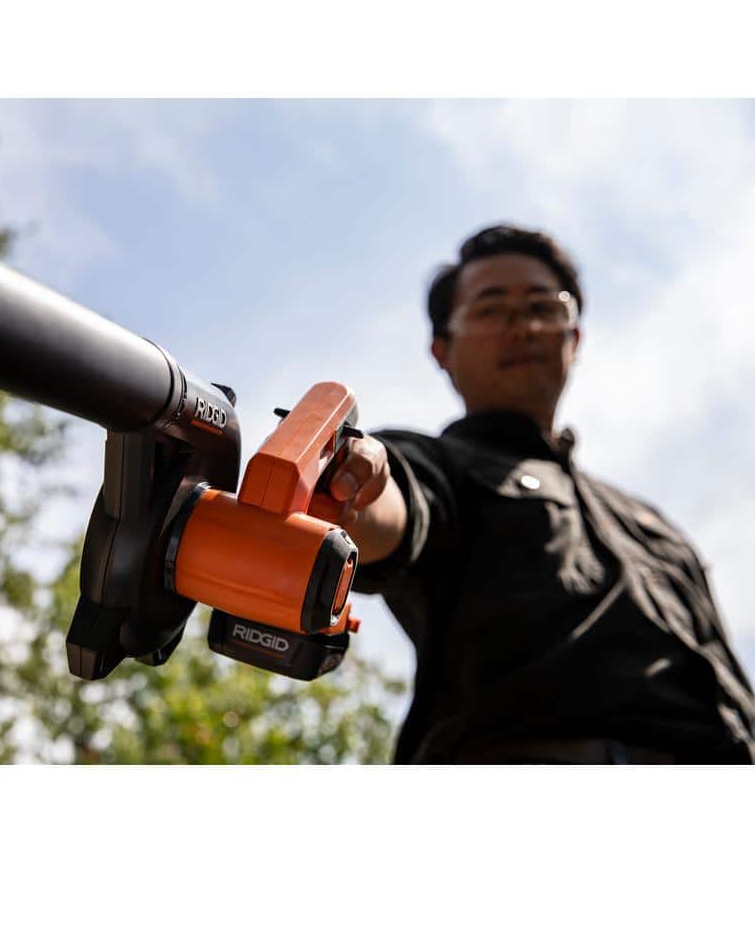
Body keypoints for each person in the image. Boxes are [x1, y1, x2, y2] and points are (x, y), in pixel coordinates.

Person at [321, 224, 755, 764]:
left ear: (575, 338)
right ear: (442, 349)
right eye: (491, 309)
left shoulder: (653, 524)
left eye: (544, 307)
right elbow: (390, 506)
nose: (524, 327)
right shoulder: (434, 464)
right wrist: (351, 492)